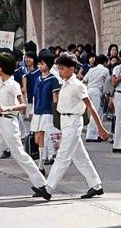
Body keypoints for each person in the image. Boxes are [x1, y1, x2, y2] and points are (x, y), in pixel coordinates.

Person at [0, 52, 51, 200]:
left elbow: (23, 105)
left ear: (0, 68)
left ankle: (42, 185)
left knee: (19, 154)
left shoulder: (13, 85)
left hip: (9, 123)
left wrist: (8, 108)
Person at [32, 53, 109, 201]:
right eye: (58, 68)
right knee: (80, 157)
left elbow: (91, 107)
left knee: (63, 155)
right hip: (65, 122)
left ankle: (48, 188)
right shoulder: (65, 84)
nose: (59, 71)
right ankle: (96, 185)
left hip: (74, 122)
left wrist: (100, 128)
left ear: (71, 69)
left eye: (62, 69)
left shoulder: (78, 86)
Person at [30, 52, 61, 175]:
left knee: (44, 136)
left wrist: (56, 113)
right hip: (38, 111)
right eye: (39, 63)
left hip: (48, 112)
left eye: (42, 63)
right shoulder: (38, 78)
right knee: (37, 138)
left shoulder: (53, 79)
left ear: (48, 65)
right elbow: (35, 96)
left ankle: (41, 165)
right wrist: (33, 110)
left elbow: (55, 98)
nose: (39, 66)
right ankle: (45, 160)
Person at [82, 54, 109, 142]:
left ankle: (97, 133)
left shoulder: (91, 69)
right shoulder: (105, 70)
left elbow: (85, 79)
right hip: (97, 91)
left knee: (99, 112)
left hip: (89, 90)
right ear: (105, 62)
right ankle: (91, 135)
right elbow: (107, 83)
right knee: (96, 113)